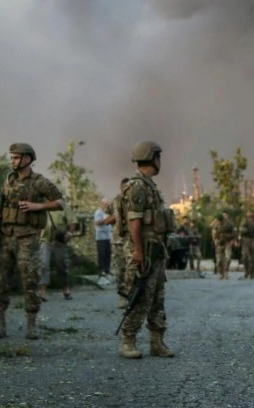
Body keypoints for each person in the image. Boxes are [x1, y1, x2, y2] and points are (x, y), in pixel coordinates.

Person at [0, 143, 64, 340]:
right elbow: (3, 201)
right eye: (11, 157)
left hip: (27, 238)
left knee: (30, 280)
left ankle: (32, 325)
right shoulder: (9, 179)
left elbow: (60, 202)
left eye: (16, 157)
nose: (12, 161)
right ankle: (0, 324)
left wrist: (37, 206)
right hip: (5, 236)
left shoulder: (39, 182)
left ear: (28, 159)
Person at [118, 141, 174, 359]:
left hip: (156, 250)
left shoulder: (150, 186)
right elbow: (134, 222)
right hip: (143, 251)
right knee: (139, 296)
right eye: (159, 157)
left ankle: (157, 342)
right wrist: (138, 252)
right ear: (153, 158)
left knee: (158, 297)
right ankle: (128, 341)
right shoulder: (137, 186)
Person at [39, 204, 78, 301]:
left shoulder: (64, 206)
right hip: (45, 240)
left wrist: (70, 232)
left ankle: (65, 289)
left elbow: (72, 221)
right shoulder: (42, 206)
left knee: (62, 266)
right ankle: (43, 292)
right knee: (43, 265)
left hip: (59, 241)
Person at [103, 177, 130, 308]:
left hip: (133, 241)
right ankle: (122, 297)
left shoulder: (136, 200)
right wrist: (118, 216)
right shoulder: (115, 201)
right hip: (118, 242)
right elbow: (106, 220)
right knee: (119, 270)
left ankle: (134, 296)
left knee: (133, 270)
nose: (125, 190)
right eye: (123, 187)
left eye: (128, 188)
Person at [238, 210, 254, 279]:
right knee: (245, 257)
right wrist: (243, 232)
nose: (249, 215)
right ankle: (246, 272)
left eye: (250, 213)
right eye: (248, 213)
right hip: (246, 240)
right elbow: (240, 230)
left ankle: (253, 273)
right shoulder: (244, 221)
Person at [212, 212, 236, 280]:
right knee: (219, 260)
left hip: (227, 242)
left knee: (228, 258)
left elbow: (234, 232)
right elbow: (214, 233)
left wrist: (233, 240)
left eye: (220, 220)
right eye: (218, 220)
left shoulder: (229, 224)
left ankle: (226, 272)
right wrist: (215, 240)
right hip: (219, 243)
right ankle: (221, 273)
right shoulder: (216, 225)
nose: (219, 221)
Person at [94, 198, 113, 282]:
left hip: (108, 236)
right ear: (101, 204)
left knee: (108, 253)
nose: (106, 206)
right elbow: (97, 222)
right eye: (105, 204)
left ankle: (107, 269)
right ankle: (102, 270)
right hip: (101, 237)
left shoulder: (108, 213)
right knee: (102, 253)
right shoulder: (98, 212)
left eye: (107, 204)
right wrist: (106, 220)